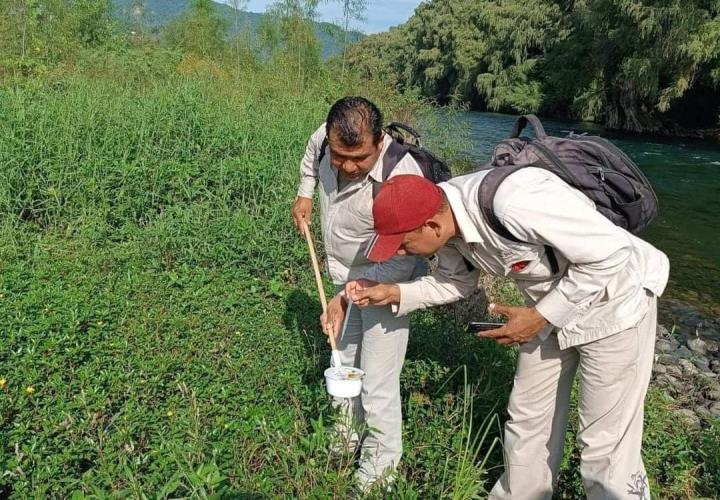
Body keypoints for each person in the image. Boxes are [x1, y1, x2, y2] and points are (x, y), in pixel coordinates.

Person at [344, 172, 669, 500]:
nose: (400, 253)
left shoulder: (515, 202)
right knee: (526, 420)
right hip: (550, 307)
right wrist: (394, 292)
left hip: (614, 302)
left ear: (431, 227)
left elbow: (610, 253)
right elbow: (457, 282)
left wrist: (540, 317)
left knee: (604, 444)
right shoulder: (446, 220)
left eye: (403, 244)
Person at [290, 97, 426, 489]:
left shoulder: (403, 177)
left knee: (378, 378)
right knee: (343, 358)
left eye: (359, 158)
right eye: (339, 156)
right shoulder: (326, 138)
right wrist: (305, 192)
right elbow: (311, 153)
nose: (348, 167)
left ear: (379, 141)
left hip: (388, 280)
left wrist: (350, 295)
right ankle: (344, 436)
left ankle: (377, 473)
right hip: (345, 274)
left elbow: (406, 256)